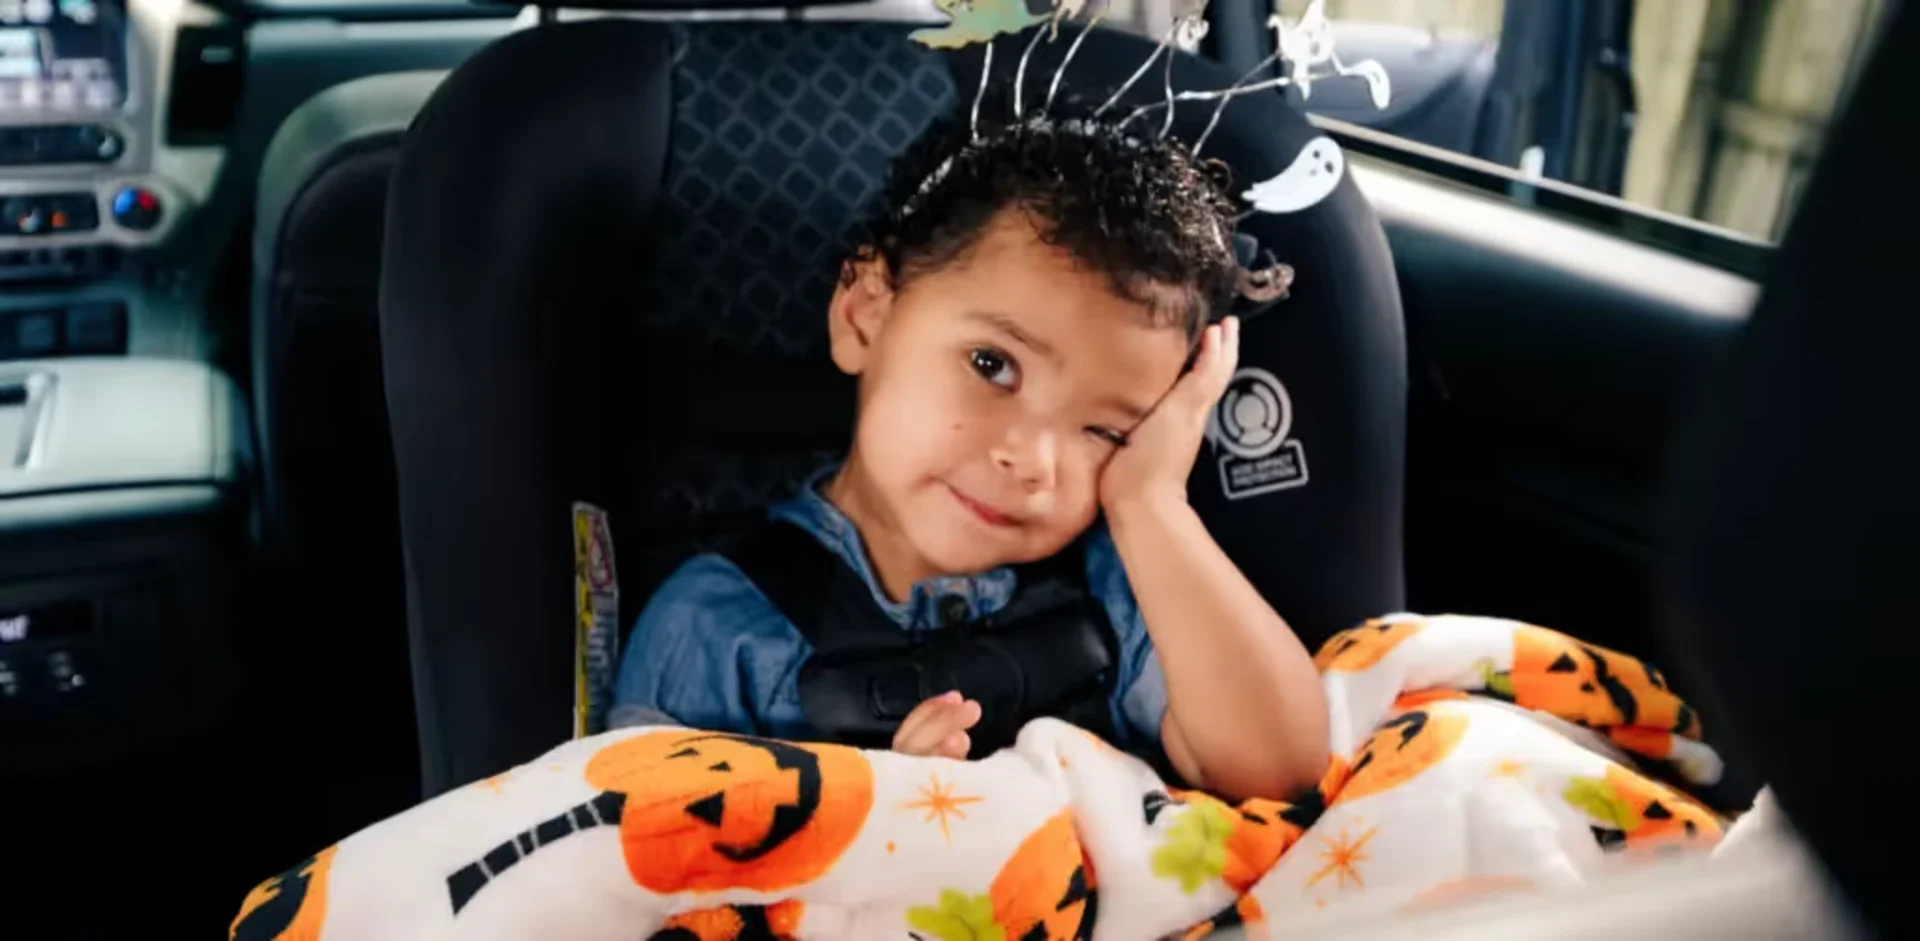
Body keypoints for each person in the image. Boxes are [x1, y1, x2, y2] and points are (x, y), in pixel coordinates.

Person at [609, 107, 1329, 802]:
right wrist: (880, 820)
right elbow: (641, 866)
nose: (1034, 460)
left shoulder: (1121, 584)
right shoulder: (720, 624)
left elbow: (1280, 769)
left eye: (1106, 431)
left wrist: (1150, 504)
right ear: (865, 312)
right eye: (992, 365)